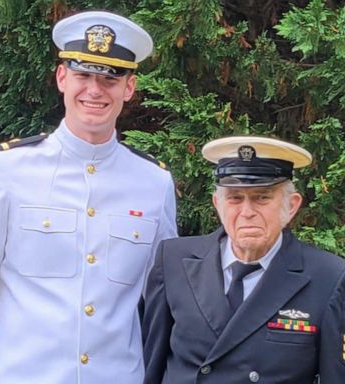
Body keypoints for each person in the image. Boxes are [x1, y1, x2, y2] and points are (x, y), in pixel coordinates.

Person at [0, 10, 177, 384]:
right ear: (62, 78)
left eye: (110, 79)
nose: (95, 90)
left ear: (129, 88)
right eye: (83, 75)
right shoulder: (5, 170)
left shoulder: (153, 183)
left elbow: (163, 302)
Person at [142, 136, 345, 384]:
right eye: (235, 198)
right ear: (218, 204)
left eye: (262, 198)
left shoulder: (328, 277)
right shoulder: (173, 260)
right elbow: (151, 363)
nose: (247, 212)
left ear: (291, 206)